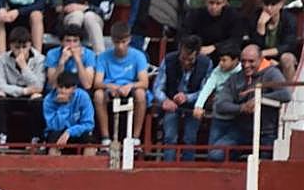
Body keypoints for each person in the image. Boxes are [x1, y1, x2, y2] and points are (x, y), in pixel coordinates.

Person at [209, 43, 292, 160]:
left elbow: (285, 94)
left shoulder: (271, 73)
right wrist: (242, 107)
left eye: (251, 61)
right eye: (243, 61)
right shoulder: (235, 78)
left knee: (265, 166)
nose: (246, 65)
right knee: (215, 155)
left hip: (266, 132)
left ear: (260, 59)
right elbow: (221, 104)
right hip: (240, 131)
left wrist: (259, 99)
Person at [151, 33, 211, 161]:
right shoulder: (169, 60)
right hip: (171, 104)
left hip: (194, 106)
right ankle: (168, 166)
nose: (185, 62)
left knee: (190, 138)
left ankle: (188, 167)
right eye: (183, 58)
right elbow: (157, 87)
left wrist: (188, 97)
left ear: (197, 54)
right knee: (169, 137)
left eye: (190, 59)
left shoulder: (206, 64)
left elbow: (205, 90)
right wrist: (165, 100)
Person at [92, 22, 149, 147]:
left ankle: (136, 137)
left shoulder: (138, 56)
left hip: (130, 88)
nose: (120, 46)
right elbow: (97, 82)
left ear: (129, 39)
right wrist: (110, 86)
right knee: (98, 95)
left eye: (124, 42)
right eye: (117, 42)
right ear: (112, 40)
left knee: (140, 93)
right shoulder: (103, 57)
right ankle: (105, 137)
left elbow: (144, 82)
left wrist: (130, 86)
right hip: (110, 88)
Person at [0, 27, 46, 147]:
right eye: (17, 47)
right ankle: (2, 136)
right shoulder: (3, 58)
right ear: (10, 46)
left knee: (37, 97)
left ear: (30, 45)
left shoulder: (40, 59)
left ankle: (36, 138)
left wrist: (24, 67)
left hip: (30, 98)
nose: (21, 51)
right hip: (12, 95)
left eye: (24, 47)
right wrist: (23, 90)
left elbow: (38, 86)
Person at [181, 0, 250, 61]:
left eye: (218, 3)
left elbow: (236, 40)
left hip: (223, 56)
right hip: (198, 53)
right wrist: (196, 48)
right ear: (205, 1)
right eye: (211, 3)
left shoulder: (233, 16)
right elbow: (185, 35)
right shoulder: (194, 15)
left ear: (224, 2)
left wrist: (214, 47)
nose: (214, 7)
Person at [251, 0, 300, 78]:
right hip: (260, 56)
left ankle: (289, 91)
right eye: (266, 4)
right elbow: (254, 46)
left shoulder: (289, 19)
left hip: (280, 55)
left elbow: (288, 45)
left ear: (281, 4)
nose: (269, 8)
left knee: (287, 58)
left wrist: (264, 54)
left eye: (273, 5)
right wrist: (260, 27)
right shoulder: (255, 17)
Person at [43, 70, 95, 154]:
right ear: (56, 86)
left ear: (74, 88)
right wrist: (64, 106)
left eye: (67, 87)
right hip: (57, 132)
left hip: (77, 132)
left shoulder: (83, 97)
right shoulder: (48, 100)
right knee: (53, 139)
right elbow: (54, 126)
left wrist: (69, 132)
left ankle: (86, 166)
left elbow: (89, 124)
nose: (62, 91)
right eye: (60, 87)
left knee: (89, 142)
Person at [44, 25, 96, 90]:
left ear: (80, 42)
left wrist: (78, 60)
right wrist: (61, 62)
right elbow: (52, 85)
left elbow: (87, 85)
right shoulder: (52, 54)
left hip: (78, 90)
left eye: (75, 41)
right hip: (58, 90)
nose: (72, 45)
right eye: (68, 41)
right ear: (62, 42)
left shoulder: (89, 54)